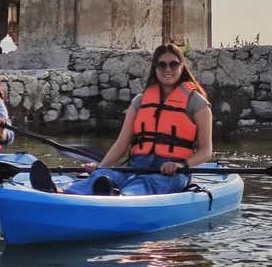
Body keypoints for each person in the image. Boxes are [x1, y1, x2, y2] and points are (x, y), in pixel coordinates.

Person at [31, 43, 212, 195]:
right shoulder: (140, 101)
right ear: (154, 68)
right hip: (136, 166)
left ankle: (119, 197)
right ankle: (61, 192)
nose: (167, 69)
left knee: (145, 185)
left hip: (172, 173)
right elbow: (121, 144)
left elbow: (206, 151)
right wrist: (101, 166)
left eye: (173, 64)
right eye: (161, 65)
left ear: (182, 66)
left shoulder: (197, 103)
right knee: (105, 176)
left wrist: (180, 164)